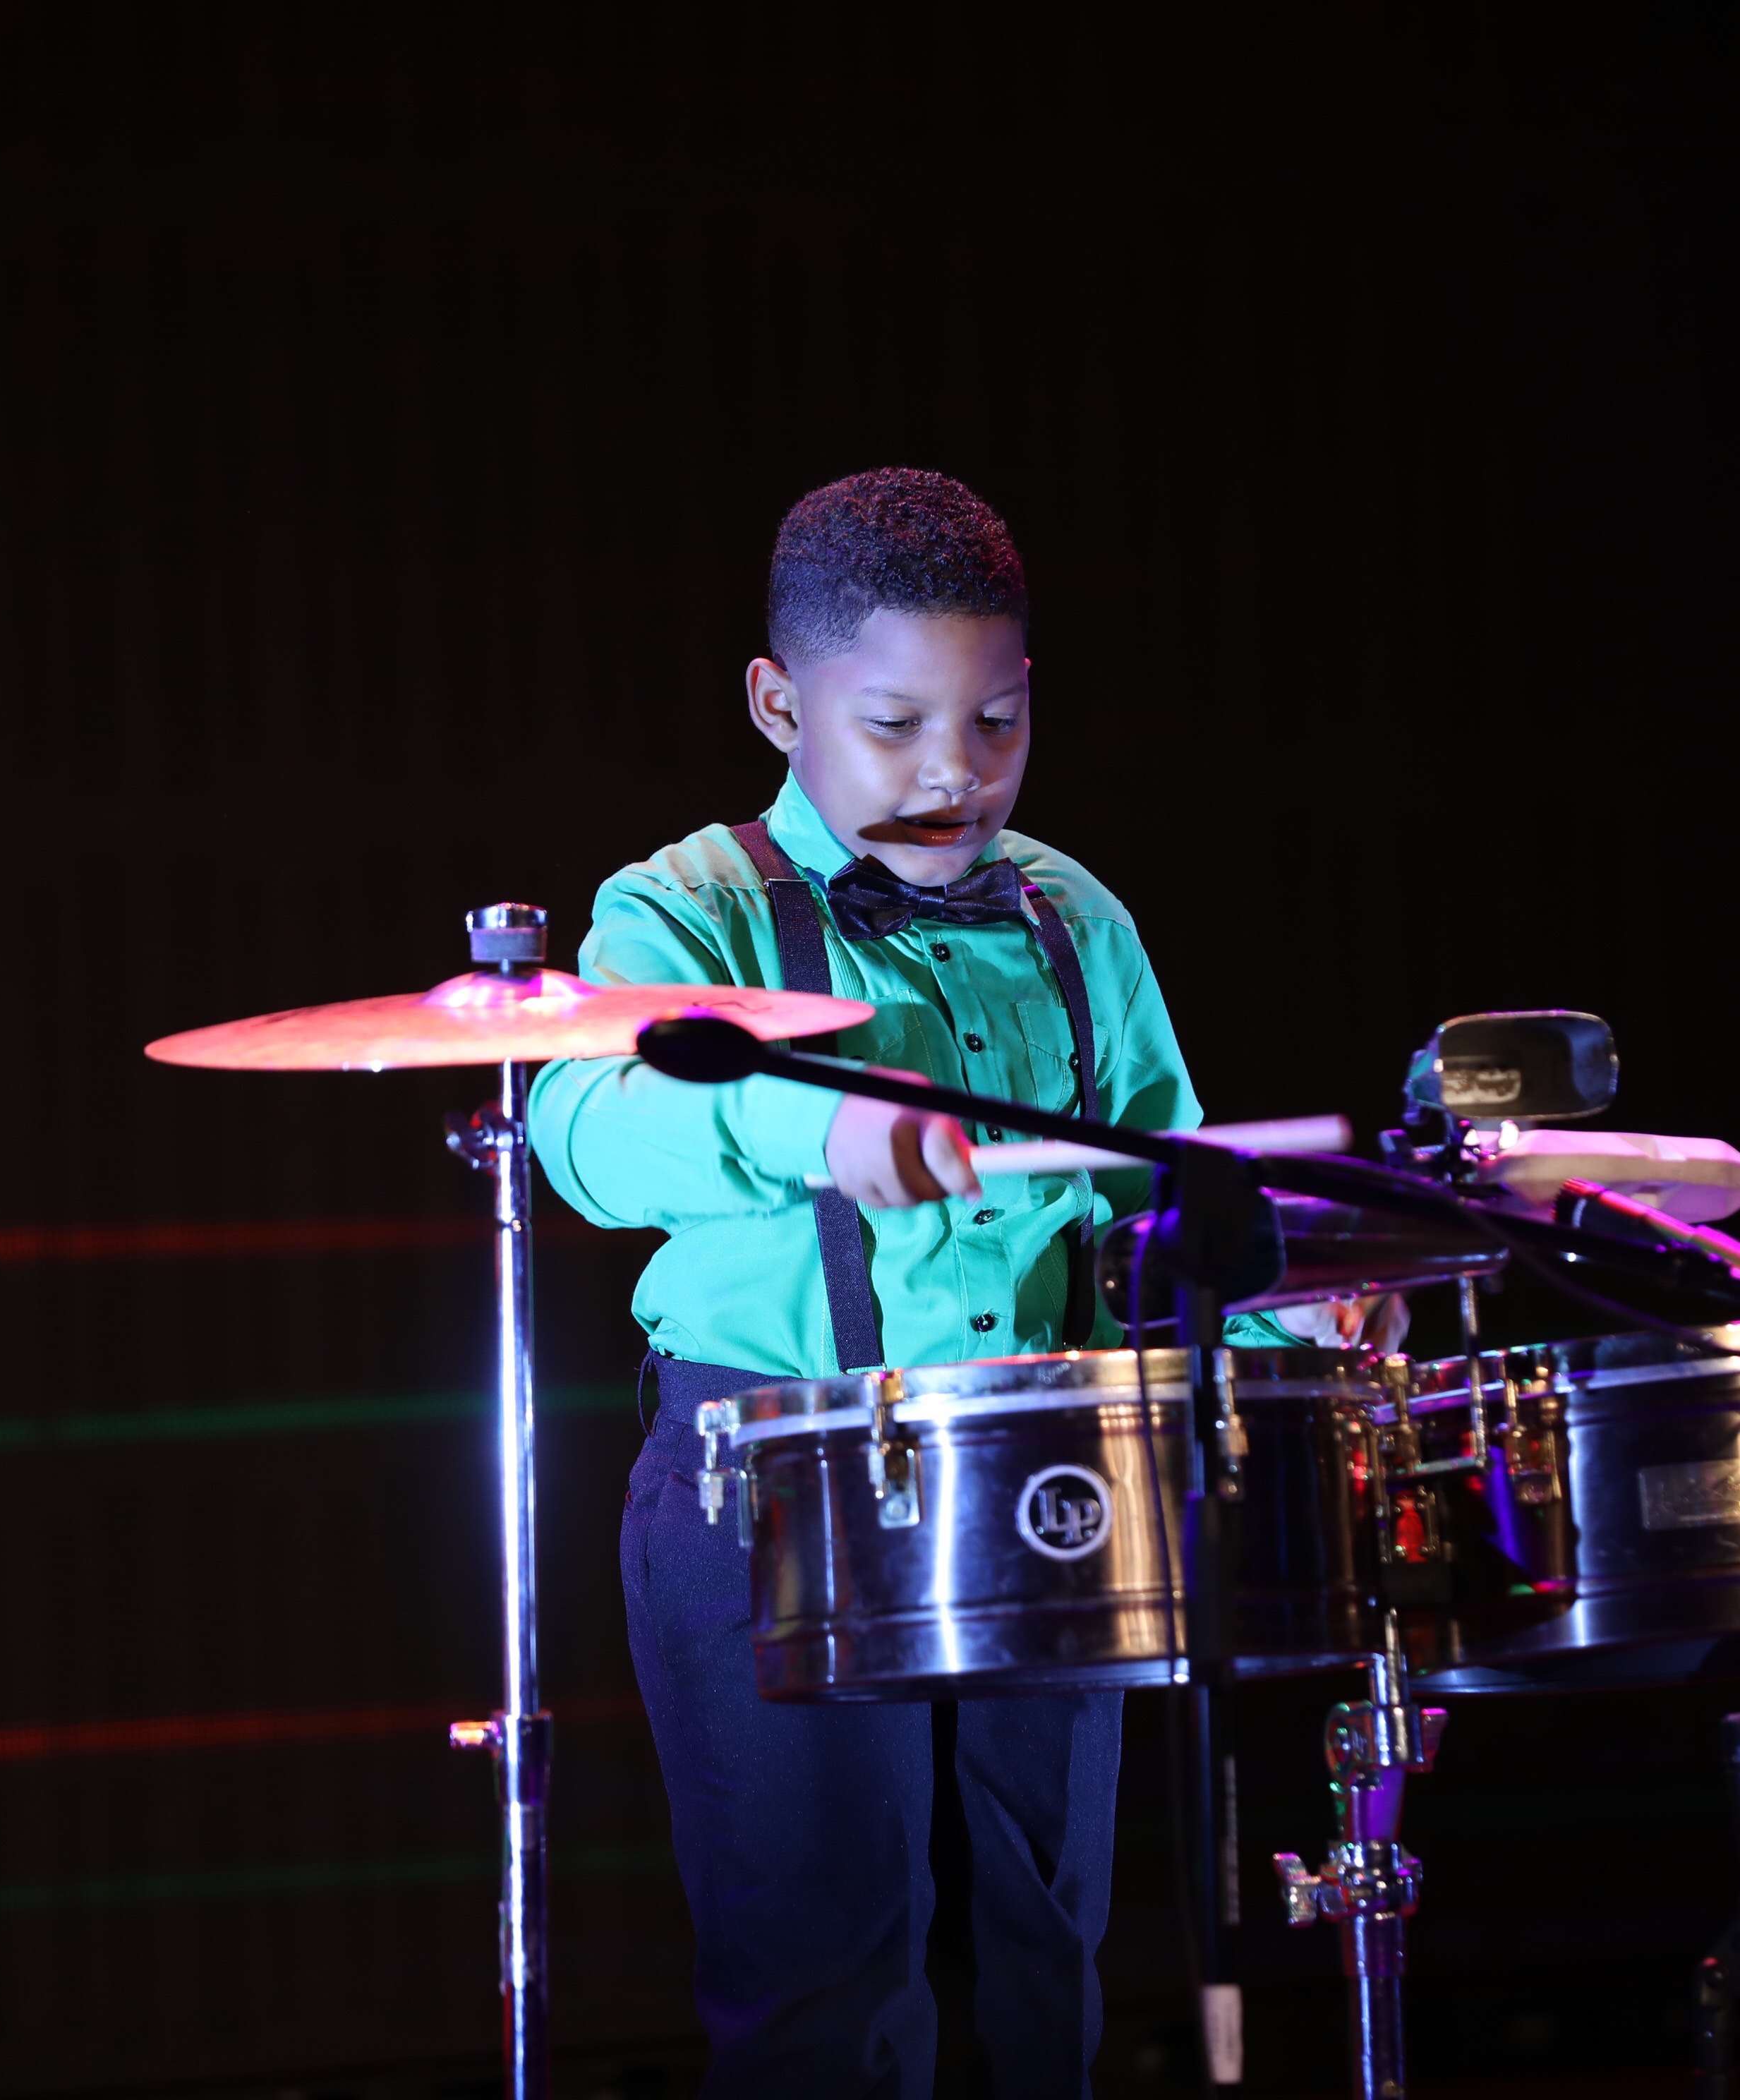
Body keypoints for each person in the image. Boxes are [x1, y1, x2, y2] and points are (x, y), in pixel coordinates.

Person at [532, 466, 1331, 2097]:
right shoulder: (682, 909)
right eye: (894, 726)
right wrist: (817, 1127)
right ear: (780, 704)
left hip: (1047, 1475)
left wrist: (1289, 1299)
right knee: (822, 1992)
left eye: (997, 723)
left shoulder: (1074, 914)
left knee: (1043, 1970)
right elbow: (586, 1131)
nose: (953, 772)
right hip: (770, 1480)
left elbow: (1156, 1200)